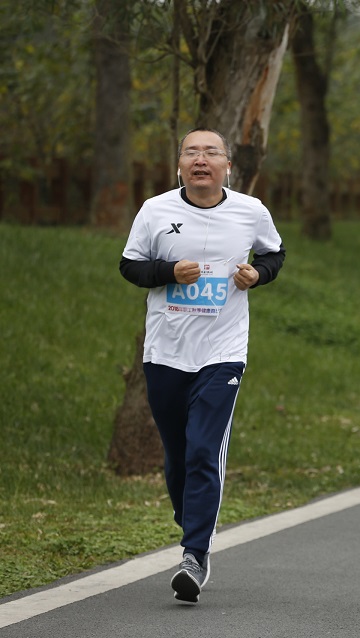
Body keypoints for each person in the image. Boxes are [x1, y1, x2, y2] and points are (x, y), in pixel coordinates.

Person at [119, 127, 286, 603]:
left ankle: (195, 554)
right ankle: (193, 520)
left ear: (227, 166)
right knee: (176, 459)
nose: (201, 160)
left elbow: (275, 254)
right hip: (167, 352)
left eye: (211, 152)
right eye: (191, 152)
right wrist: (167, 272)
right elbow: (130, 266)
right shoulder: (156, 211)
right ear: (179, 165)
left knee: (201, 449)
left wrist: (259, 274)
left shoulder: (250, 211)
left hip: (223, 351)